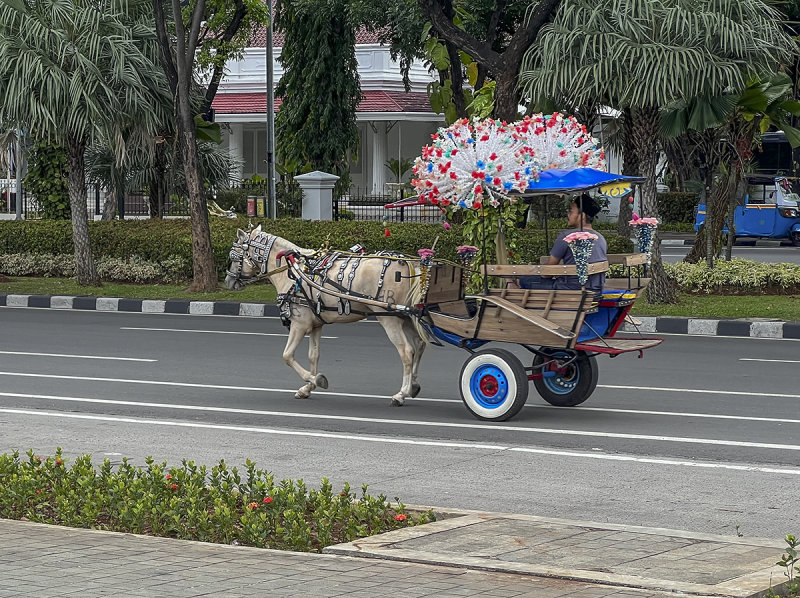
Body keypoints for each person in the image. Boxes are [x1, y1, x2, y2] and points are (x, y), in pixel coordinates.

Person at [517, 194, 607, 292]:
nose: (568, 214)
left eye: (571, 212)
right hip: (594, 293)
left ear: (582, 216)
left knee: (525, 280)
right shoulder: (601, 238)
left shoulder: (567, 237)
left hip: (568, 291)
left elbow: (547, 273)